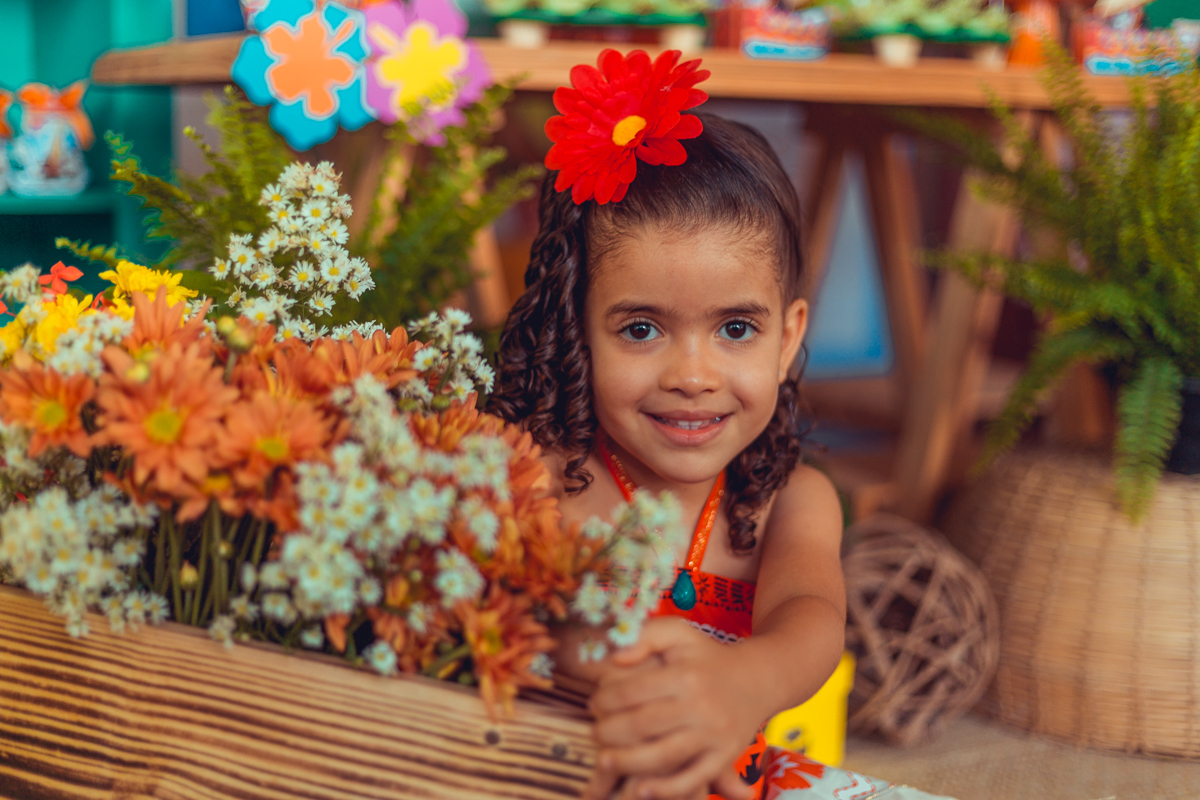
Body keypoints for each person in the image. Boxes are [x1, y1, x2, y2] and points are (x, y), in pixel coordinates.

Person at [491, 49, 944, 800]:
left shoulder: (789, 502)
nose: (692, 375)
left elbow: (810, 623)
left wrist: (742, 682)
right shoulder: (537, 473)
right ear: (578, 332)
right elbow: (496, 616)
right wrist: (612, 667)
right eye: (641, 330)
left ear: (789, 337)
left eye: (736, 329)